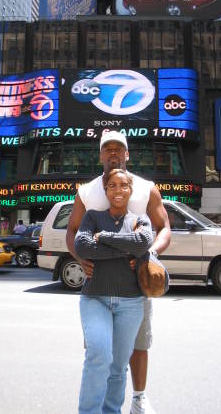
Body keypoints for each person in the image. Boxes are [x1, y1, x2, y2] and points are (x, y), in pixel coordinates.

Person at [66, 130, 171, 414]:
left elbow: (163, 229)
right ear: (100, 155)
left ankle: (138, 397)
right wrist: (80, 256)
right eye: (107, 149)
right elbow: (74, 232)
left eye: (119, 149)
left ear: (127, 154)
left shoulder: (147, 187)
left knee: (136, 347)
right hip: (98, 286)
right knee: (99, 353)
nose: (113, 153)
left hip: (134, 284)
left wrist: (150, 254)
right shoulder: (87, 191)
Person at [75, 169, 153, 414]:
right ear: (106, 190)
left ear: (130, 190)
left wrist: (105, 238)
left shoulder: (140, 220)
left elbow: (143, 243)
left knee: (118, 366)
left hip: (131, 302)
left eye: (123, 185)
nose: (118, 190)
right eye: (112, 186)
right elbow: (82, 246)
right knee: (98, 354)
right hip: (95, 298)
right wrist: (125, 250)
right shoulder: (92, 217)